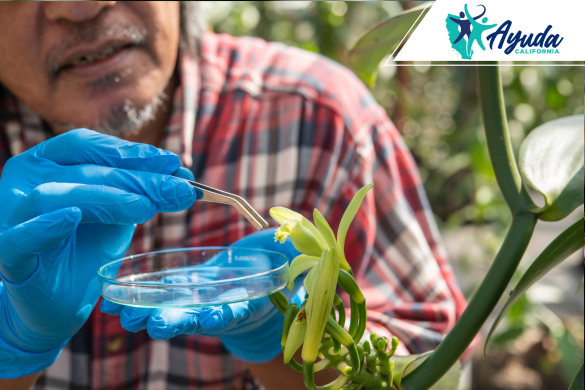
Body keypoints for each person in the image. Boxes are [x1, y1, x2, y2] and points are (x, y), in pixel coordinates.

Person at [0, 2, 469, 389]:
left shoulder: (318, 121)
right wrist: (11, 353)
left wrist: (298, 338)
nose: (81, 8)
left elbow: (436, 366)